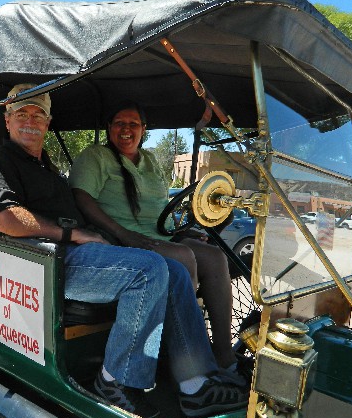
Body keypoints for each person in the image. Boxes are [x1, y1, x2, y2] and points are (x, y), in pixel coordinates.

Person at [0, 83, 248, 418]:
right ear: (7, 121)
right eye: (21, 114)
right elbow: (3, 219)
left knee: (175, 270)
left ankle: (195, 383)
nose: (30, 121)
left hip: (76, 252)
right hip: (49, 261)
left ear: (47, 123)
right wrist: (73, 233)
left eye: (38, 115)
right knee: (150, 269)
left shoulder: (44, 164)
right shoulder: (1, 159)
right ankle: (113, 379)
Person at [68, 101, 240, 377]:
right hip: (118, 241)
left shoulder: (149, 160)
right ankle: (183, 358)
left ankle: (222, 353)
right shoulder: (96, 157)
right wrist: (125, 234)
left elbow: (161, 208)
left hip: (159, 237)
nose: (126, 129)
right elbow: (82, 198)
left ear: (144, 130)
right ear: (110, 128)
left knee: (213, 256)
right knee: (182, 257)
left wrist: (183, 232)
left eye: (133, 124)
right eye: (119, 123)